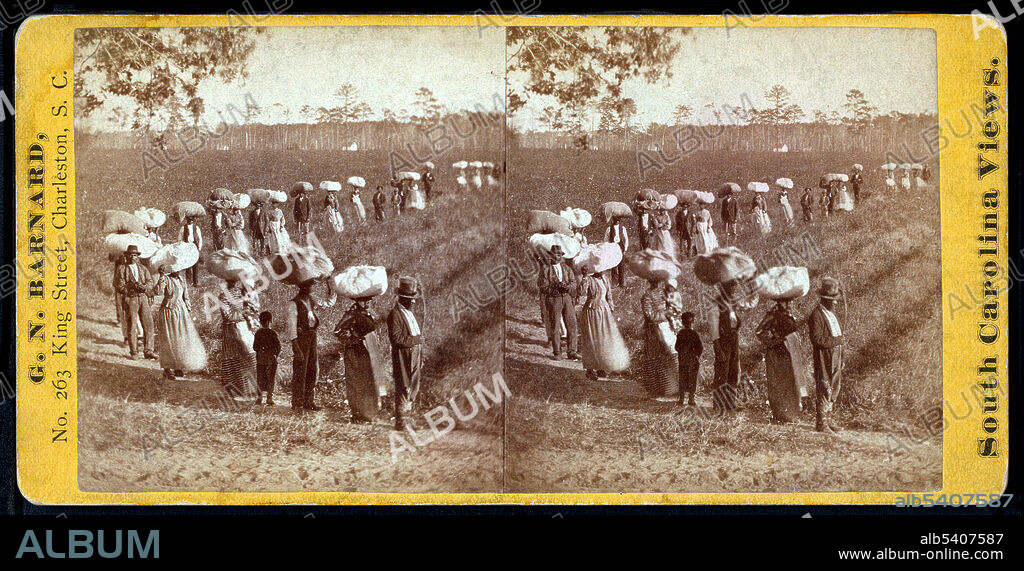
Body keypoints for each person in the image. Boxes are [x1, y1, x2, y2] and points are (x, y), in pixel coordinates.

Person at [755, 299, 809, 423]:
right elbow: (759, 332)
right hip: (776, 353)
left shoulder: (788, 314)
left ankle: (790, 413)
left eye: (788, 302)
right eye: (785, 302)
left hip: (789, 351)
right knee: (778, 383)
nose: (788, 304)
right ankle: (780, 415)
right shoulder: (773, 315)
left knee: (790, 381)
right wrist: (774, 342)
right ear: (779, 303)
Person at [334, 297, 386, 422]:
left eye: (369, 300)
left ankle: (368, 413)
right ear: (358, 301)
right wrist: (353, 338)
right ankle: (357, 414)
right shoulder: (352, 314)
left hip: (367, 350)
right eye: (364, 300)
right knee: (356, 382)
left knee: (368, 380)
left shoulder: (367, 313)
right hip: (354, 351)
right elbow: (338, 331)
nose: (368, 302)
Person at [154, 267, 206, 380]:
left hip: (181, 311)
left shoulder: (182, 279)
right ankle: (167, 368)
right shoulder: (166, 279)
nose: (177, 271)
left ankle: (178, 366)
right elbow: (158, 292)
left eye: (179, 269)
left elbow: (185, 296)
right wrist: (161, 276)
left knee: (180, 338)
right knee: (168, 338)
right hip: (169, 310)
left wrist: (188, 308)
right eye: (175, 269)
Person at [576, 269, 629, 380]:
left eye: (602, 269)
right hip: (592, 310)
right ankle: (590, 369)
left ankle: (601, 367)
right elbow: (581, 293)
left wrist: (611, 308)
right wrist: (584, 277)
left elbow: (609, 296)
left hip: (604, 311)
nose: (601, 271)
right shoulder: (589, 279)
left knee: (603, 338)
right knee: (592, 338)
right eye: (598, 269)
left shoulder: (605, 278)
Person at [808, 277, 844, 433]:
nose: (834, 302)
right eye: (831, 299)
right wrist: (836, 341)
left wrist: (841, 356)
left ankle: (828, 419)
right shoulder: (816, 315)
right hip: (823, 357)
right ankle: (821, 422)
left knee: (834, 386)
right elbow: (817, 340)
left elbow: (839, 339)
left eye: (835, 299)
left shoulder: (831, 315)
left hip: (835, 356)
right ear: (823, 299)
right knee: (824, 385)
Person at [388, 277, 424, 430]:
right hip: (403, 356)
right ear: (402, 299)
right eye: (410, 299)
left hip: (414, 355)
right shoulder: (395, 314)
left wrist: (420, 353)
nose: (413, 302)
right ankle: (401, 422)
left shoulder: (409, 313)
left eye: (413, 299)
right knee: (403, 386)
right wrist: (416, 340)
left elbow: (416, 337)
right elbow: (396, 339)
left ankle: (408, 420)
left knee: (413, 387)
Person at [114, 245, 157, 360]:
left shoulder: (142, 268)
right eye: (130, 255)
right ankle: (134, 352)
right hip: (130, 299)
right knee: (132, 325)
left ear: (138, 256)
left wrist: (144, 287)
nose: (133, 257)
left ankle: (148, 350)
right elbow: (118, 285)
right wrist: (130, 288)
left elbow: (150, 282)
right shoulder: (121, 269)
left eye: (135, 255)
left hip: (143, 298)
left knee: (148, 324)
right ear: (126, 256)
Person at [638, 278, 679, 401]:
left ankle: (673, 388)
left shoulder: (662, 293)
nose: (656, 283)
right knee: (655, 356)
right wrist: (665, 314)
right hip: (654, 329)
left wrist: (670, 317)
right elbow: (649, 315)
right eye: (654, 281)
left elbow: (670, 307)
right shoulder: (647, 296)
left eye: (657, 280)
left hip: (665, 327)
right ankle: (657, 389)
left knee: (670, 353)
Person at [219, 277, 260, 397]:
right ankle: (242, 388)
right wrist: (243, 314)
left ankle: (246, 388)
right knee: (237, 356)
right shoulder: (226, 295)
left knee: (243, 355)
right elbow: (227, 315)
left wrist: (245, 314)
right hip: (234, 328)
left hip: (240, 327)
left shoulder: (232, 294)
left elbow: (229, 314)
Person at [538, 244, 580, 360]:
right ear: (550, 256)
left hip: (567, 298)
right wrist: (555, 287)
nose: (557, 256)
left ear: (561, 256)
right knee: (555, 326)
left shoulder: (567, 268)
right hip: (553, 299)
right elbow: (542, 286)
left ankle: (572, 351)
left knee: (572, 324)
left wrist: (567, 287)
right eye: (554, 254)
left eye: (559, 254)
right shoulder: (545, 269)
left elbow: (574, 283)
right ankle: (557, 352)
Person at [287, 279, 321, 411]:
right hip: (301, 339)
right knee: (300, 370)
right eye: (309, 285)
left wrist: (330, 285)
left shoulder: (311, 301)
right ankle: (297, 402)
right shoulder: (294, 303)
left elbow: (328, 303)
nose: (312, 288)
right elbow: (292, 326)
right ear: (303, 287)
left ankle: (308, 401)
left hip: (312, 337)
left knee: (312, 369)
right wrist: (296, 346)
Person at [712, 292, 741, 412]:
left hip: (733, 340)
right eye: (730, 287)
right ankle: (718, 404)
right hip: (723, 341)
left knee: (733, 371)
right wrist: (717, 347)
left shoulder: (732, 304)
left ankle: (730, 402)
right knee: (722, 371)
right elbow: (714, 329)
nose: (733, 290)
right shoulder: (716, 305)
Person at [253, 311, 281, 406]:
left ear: (260, 321)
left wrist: (260, 351)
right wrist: (275, 355)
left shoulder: (258, 333)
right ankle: (269, 397)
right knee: (271, 379)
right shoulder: (273, 333)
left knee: (260, 378)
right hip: (271, 360)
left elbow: (255, 347)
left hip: (261, 359)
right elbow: (278, 347)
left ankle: (259, 397)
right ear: (270, 321)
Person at [674, 312, 702, 406]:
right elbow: (700, 348)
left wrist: (682, 353)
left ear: (682, 322)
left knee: (682, 379)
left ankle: (681, 399)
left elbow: (676, 347)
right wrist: (696, 355)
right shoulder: (694, 334)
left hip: (683, 361)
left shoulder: (680, 333)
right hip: (693, 360)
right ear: (693, 321)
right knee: (692, 379)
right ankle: (691, 399)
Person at [178, 215, 204, 286]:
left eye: (192, 219)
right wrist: (183, 246)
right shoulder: (183, 228)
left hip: (194, 246)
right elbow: (180, 239)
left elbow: (200, 238)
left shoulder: (196, 228)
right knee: (188, 264)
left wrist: (199, 248)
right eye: (189, 219)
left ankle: (196, 282)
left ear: (193, 220)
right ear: (186, 219)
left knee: (196, 265)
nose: (190, 221)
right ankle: (189, 282)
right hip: (187, 247)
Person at [604, 218, 629, 287]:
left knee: (621, 266)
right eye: (615, 219)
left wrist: (625, 249)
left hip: (621, 247)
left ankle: (622, 283)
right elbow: (606, 240)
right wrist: (608, 249)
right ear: (613, 220)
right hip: (613, 248)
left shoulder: (623, 228)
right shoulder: (609, 228)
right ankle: (615, 283)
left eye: (618, 220)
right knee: (614, 265)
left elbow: (626, 239)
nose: (617, 221)